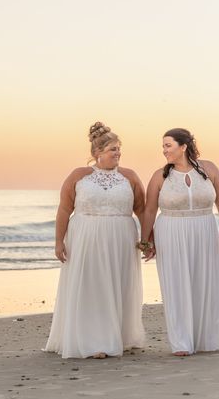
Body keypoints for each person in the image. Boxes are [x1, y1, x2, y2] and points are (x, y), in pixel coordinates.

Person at [45, 122, 146, 358]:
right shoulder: (79, 176)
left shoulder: (129, 177)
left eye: (119, 149)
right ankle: (93, 341)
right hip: (86, 238)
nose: (118, 153)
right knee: (91, 286)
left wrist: (147, 239)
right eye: (113, 149)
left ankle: (117, 335)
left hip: (121, 239)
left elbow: (141, 209)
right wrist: (59, 242)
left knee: (117, 285)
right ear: (97, 153)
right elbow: (63, 210)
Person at [140, 128, 219, 356]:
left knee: (208, 281)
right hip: (171, 232)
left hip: (205, 228)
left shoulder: (209, 169)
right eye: (163, 146)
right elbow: (150, 209)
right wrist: (145, 241)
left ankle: (212, 337)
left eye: (168, 145)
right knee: (176, 284)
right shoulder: (159, 176)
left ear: (183, 147)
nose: (163, 150)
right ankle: (182, 342)